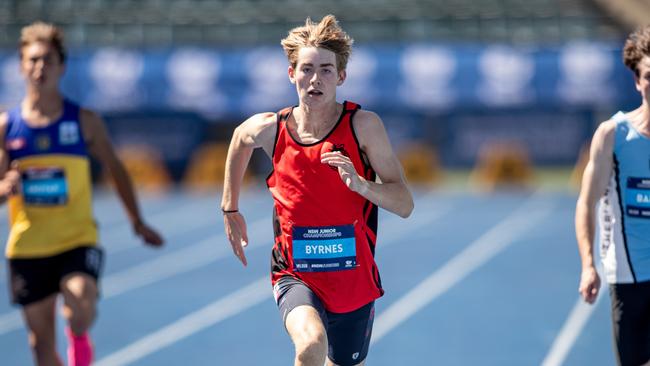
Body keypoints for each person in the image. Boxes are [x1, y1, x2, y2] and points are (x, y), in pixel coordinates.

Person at [221, 14, 413, 366]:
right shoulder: (272, 129)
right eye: (306, 69)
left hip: (353, 280)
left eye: (326, 70)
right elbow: (239, 138)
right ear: (292, 74)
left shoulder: (363, 127)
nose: (315, 79)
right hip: (295, 272)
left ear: (341, 77)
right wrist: (229, 208)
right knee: (310, 344)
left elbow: (404, 204)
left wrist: (361, 185)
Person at [0, 21, 164, 366]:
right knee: (41, 350)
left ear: (61, 66)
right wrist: (5, 188)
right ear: (20, 66)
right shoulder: (7, 127)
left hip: (76, 239)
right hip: (28, 246)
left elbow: (116, 170)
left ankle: (78, 335)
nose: (39, 67)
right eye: (32, 60)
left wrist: (137, 221)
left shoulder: (84, 121)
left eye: (47, 60)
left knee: (78, 305)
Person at [575, 25, 650, 366]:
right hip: (629, 279)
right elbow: (586, 203)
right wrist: (589, 265)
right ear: (637, 81)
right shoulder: (612, 136)